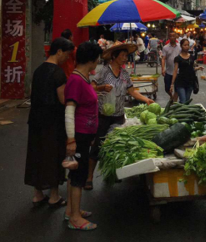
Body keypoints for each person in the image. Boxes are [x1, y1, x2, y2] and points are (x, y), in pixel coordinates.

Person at [85, 44, 154, 190]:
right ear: (114, 57)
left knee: (114, 145)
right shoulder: (104, 72)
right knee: (97, 146)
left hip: (118, 116)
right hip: (103, 115)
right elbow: (91, 87)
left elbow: (132, 91)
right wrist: (102, 88)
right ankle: (89, 177)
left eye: (125, 55)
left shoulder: (124, 74)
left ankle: (111, 173)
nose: (124, 58)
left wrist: (146, 100)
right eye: (122, 55)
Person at [24, 37, 74, 207]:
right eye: (66, 54)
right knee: (53, 156)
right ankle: (54, 196)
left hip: (36, 119)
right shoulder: (58, 73)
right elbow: (63, 100)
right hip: (53, 121)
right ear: (59, 51)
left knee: (37, 154)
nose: (67, 58)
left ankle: (37, 194)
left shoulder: (38, 70)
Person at [64, 41, 104, 231]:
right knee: (79, 175)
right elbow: (69, 111)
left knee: (75, 174)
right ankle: (75, 219)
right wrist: (71, 140)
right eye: (97, 58)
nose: (98, 62)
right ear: (91, 59)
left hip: (85, 134)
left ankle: (72, 211)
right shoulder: (76, 80)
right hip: (78, 136)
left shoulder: (84, 77)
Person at [169, 39, 203, 104]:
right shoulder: (178, 58)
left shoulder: (192, 57)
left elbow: (191, 68)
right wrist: (172, 84)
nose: (187, 46)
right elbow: (175, 71)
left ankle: (181, 112)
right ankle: (180, 111)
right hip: (180, 82)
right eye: (185, 45)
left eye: (187, 45)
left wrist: (198, 68)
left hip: (190, 82)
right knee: (183, 101)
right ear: (181, 46)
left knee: (187, 101)